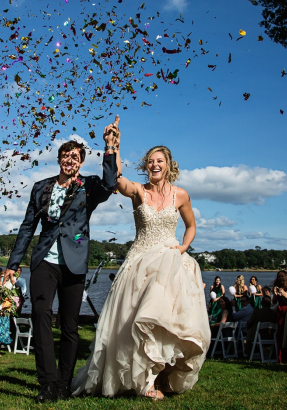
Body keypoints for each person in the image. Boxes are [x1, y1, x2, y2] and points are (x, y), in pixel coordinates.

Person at [71, 142, 210, 401]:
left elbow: (191, 226)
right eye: (151, 161)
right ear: (146, 165)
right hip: (139, 263)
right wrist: (114, 146)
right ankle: (143, 380)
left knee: (163, 323)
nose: (155, 165)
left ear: (168, 165)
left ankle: (160, 376)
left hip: (169, 263)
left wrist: (182, 249)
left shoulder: (181, 195)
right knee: (136, 322)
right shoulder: (138, 191)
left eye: (160, 161)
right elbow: (116, 181)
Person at [3, 117, 120, 403]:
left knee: (70, 326)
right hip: (44, 261)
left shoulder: (88, 187)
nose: (71, 160)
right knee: (40, 316)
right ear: (59, 159)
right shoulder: (40, 187)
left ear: (81, 163)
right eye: (66, 155)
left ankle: (64, 384)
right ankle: (47, 383)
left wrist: (110, 148)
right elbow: (27, 227)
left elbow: (109, 182)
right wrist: (13, 264)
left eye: (76, 157)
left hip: (75, 263)